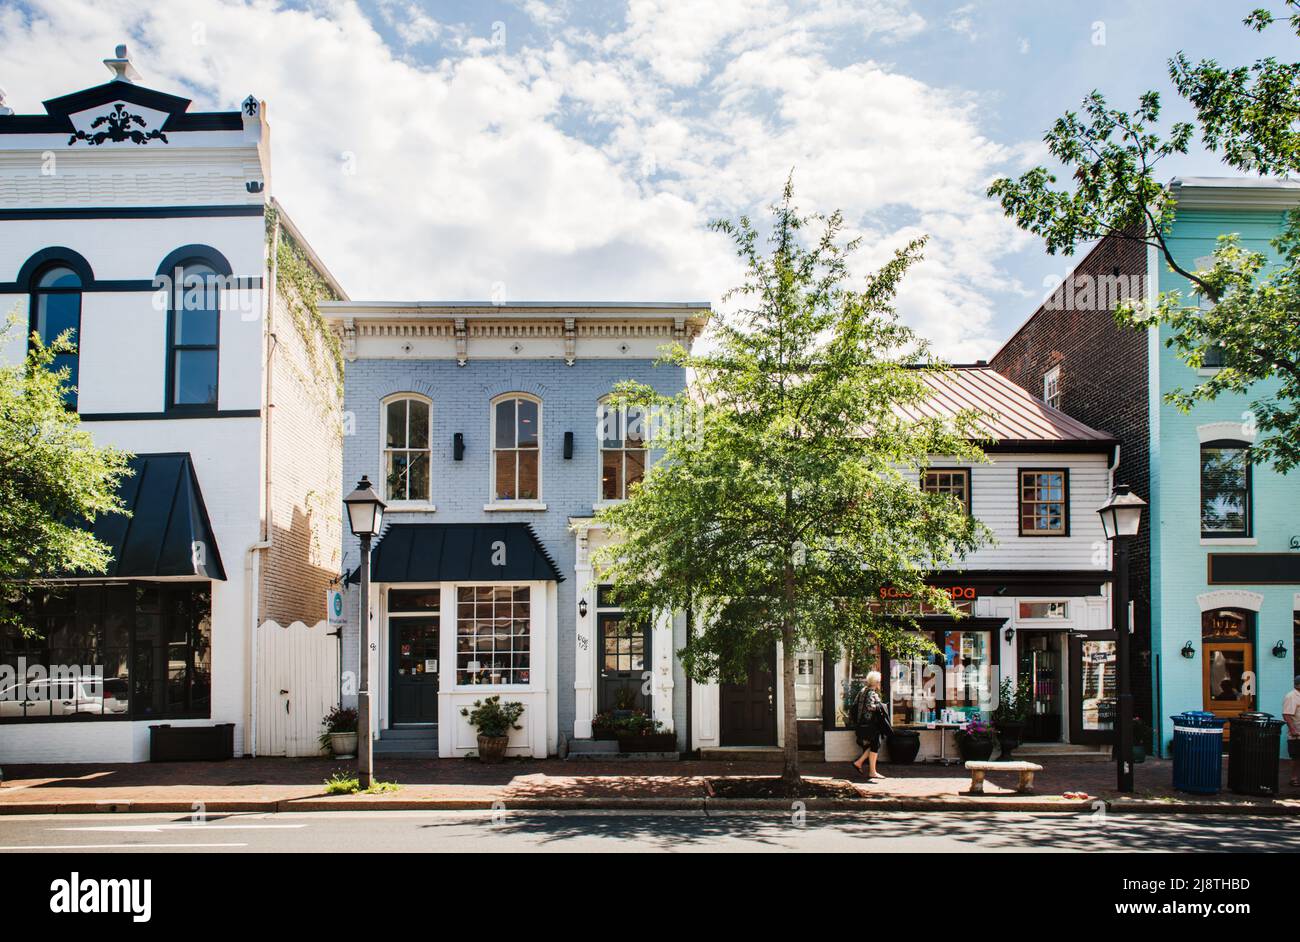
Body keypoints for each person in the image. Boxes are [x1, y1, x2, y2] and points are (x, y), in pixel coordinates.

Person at [851, 671, 891, 781]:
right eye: (879, 682)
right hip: (870, 725)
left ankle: (860, 763)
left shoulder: (862, 691)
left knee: (874, 744)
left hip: (862, 724)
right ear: (876, 682)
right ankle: (872, 772)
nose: (879, 683)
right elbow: (870, 706)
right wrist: (881, 706)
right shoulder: (872, 693)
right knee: (875, 745)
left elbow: (854, 706)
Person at [1283, 675, 1300, 787]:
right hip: (1297, 733)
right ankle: (1294, 778)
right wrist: (1293, 730)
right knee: (1296, 757)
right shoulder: (1291, 696)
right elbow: (1287, 714)